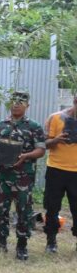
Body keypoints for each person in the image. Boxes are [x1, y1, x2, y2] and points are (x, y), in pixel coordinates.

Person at [0, 92, 45, 261]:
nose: (16, 104)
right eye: (14, 101)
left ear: (27, 105)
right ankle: (1, 243)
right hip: (2, 177)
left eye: (21, 102)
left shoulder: (34, 126)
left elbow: (41, 150)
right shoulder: (0, 126)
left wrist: (26, 156)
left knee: (24, 211)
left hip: (24, 177)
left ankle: (22, 246)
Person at [42, 93, 77, 253]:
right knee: (52, 207)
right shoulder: (55, 118)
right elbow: (43, 144)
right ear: (75, 101)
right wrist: (56, 140)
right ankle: (51, 241)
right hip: (56, 170)